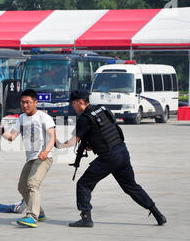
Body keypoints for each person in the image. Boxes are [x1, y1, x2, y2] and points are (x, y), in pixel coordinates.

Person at [55, 90, 167, 227]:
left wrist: (57, 144)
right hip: (122, 151)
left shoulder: (85, 119)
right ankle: (157, 214)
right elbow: (107, 129)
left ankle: (86, 218)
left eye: (73, 104)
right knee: (131, 187)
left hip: (108, 157)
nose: (73, 107)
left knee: (83, 184)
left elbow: (73, 141)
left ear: (81, 102)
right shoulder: (102, 108)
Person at [1, 89, 56, 228]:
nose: (25, 105)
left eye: (28, 102)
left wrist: (46, 151)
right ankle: (41, 213)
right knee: (22, 187)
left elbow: (52, 136)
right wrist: (0, 130)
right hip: (31, 158)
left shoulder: (44, 117)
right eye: (23, 102)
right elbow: (12, 137)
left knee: (32, 183)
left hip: (44, 157)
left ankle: (32, 216)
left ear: (35, 102)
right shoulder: (21, 118)